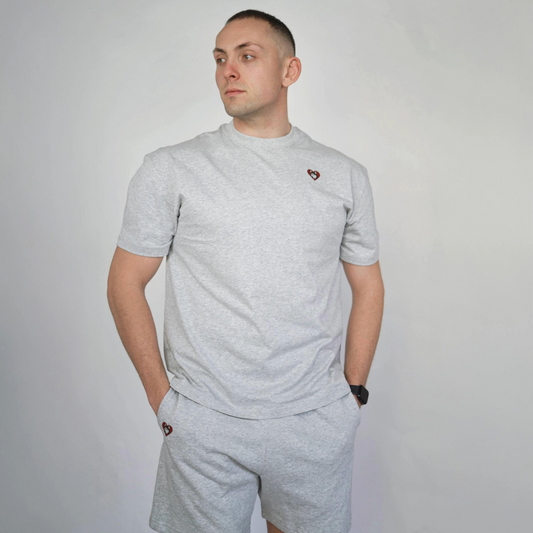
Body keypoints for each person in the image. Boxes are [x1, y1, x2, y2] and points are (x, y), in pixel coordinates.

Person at [107, 9, 384, 533]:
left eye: (247, 56)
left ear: (289, 71)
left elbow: (368, 284)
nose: (228, 70)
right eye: (220, 59)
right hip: (204, 422)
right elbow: (125, 281)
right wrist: (162, 399)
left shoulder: (344, 175)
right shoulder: (171, 168)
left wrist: (353, 395)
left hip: (315, 421)